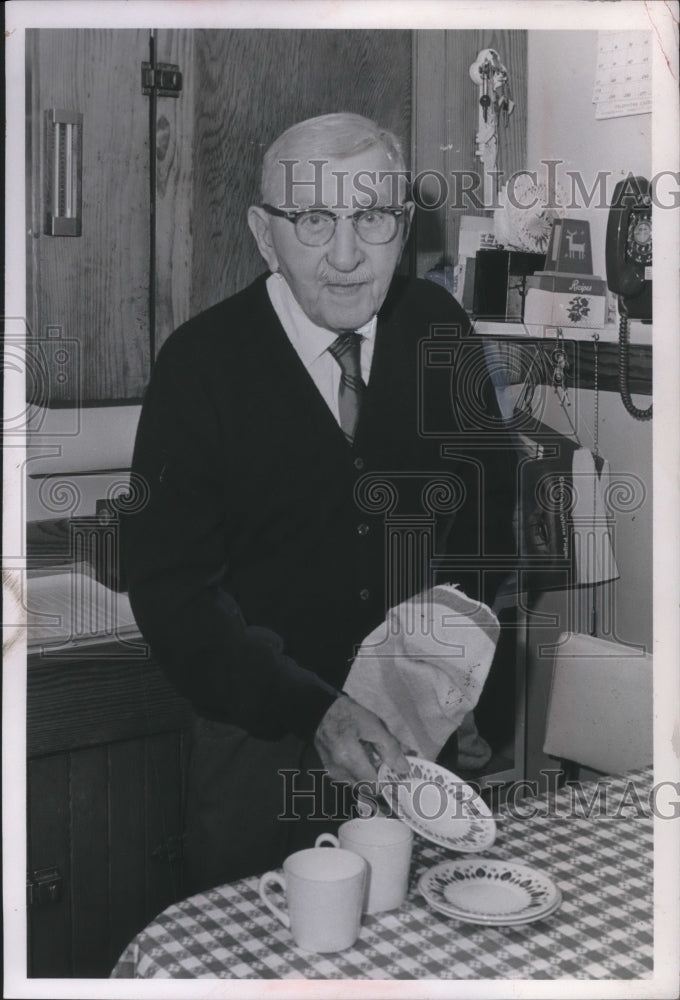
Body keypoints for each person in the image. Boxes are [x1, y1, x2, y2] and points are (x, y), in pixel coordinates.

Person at [123, 112, 518, 893]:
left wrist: (457, 676)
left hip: (418, 733)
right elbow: (171, 593)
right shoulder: (200, 365)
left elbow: (484, 528)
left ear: (403, 227)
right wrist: (316, 709)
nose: (345, 256)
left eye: (371, 217)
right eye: (313, 219)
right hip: (258, 745)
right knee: (250, 955)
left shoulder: (442, 332)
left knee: (412, 952)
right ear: (264, 235)